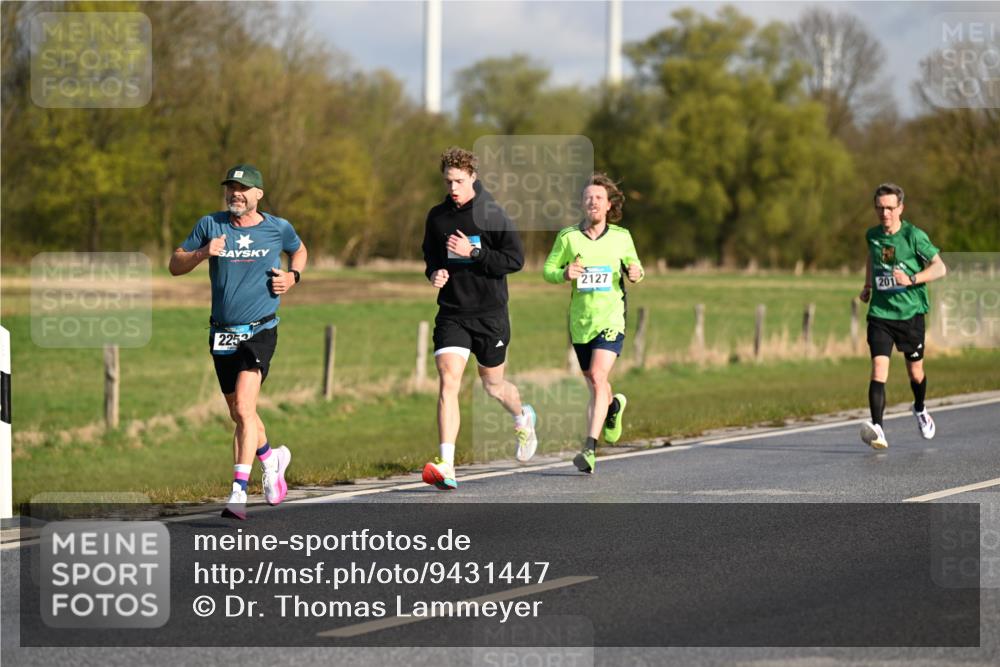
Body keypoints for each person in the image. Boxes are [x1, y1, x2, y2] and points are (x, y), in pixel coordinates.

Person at [169, 164, 307, 519]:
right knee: (238, 412)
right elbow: (174, 264)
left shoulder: (278, 228)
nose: (236, 194)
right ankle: (271, 459)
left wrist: (292, 276)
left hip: (260, 329)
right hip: (222, 332)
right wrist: (202, 253)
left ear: (258, 194)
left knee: (245, 407)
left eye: (243, 189)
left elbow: (299, 250)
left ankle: (239, 492)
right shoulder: (210, 225)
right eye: (231, 188)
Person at [420, 147, 537, 490]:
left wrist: (474, 252)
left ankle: (522, 417)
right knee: (449, 379)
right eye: (448, 181)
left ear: (473, 177)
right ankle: (447, 464)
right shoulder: (437, 217)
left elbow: (515, 260)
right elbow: (431, 256)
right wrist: (435, 273)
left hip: (490, 315)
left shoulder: (493, 214)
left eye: (459, 181)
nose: (453, 188)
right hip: (453, 313)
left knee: (493, 385)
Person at [543, 173, 643, 474]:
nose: (593, 202)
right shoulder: (568, 237)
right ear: (582, 204)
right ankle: (613, 407)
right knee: (593, 379)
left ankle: (589, 448)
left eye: (598, 198)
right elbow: (548, 270)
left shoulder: (621, 237)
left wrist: (636, 273)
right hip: (581, 321)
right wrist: (564, 273)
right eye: (588, 198)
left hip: (611, 318)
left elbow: (636, 266)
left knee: (599, 377)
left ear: (609, 204)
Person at [859, 182, 946, 449]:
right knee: (878, 369)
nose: (884, 213)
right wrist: (868, 285)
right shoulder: (873, 235)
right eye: (880, 208)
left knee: (915, 373)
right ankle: (879, 429)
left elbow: (940, 268)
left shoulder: (913, 236)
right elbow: (872, 258)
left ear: (900, 208)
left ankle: (919, 408)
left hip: (910, 314)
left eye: (889, 208)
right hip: (881, 314)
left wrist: (911, 279)